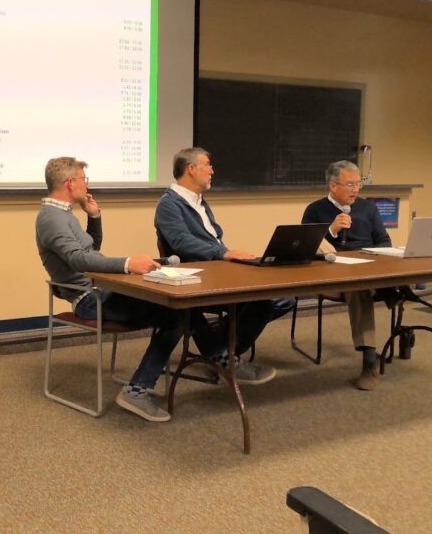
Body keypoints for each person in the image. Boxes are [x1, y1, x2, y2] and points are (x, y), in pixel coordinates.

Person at [36, 157, 182, 422]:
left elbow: (91, 249)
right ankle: (137, 390)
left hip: (100, 291)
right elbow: (79, 260)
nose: (86, 184)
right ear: (70, 183)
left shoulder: (64, 214)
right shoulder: (51, 219)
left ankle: (215, 354)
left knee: (175, 306)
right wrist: (127, 264)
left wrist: (94, 217)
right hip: (89, 300)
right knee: (174, 315)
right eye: (83, 179)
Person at [154, 147, 292, 384]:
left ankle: (220, 350)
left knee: (284, 297)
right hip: (198, 274)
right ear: (191, 169)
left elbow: (213, 239)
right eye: (208, 165)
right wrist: (226, 253)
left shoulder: (199, 202)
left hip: (219, 269)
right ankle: (223, 357)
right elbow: (181, 242)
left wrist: (232, 257)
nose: (212, 171)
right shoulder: (169, 204)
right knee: (260, 303)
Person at [302, 160, 402, 391]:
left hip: (367, 267)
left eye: (358, 184)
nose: (355, 190)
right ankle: (369, 358)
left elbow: (384, 242)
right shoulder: (315, 209)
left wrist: (374, 256)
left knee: (371, 281)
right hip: (331, 275)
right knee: (358, 287)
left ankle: (395, 294)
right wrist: (331, 231)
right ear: (333, 186)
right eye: (350, 185)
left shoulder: (367, 208)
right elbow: (306, 246)